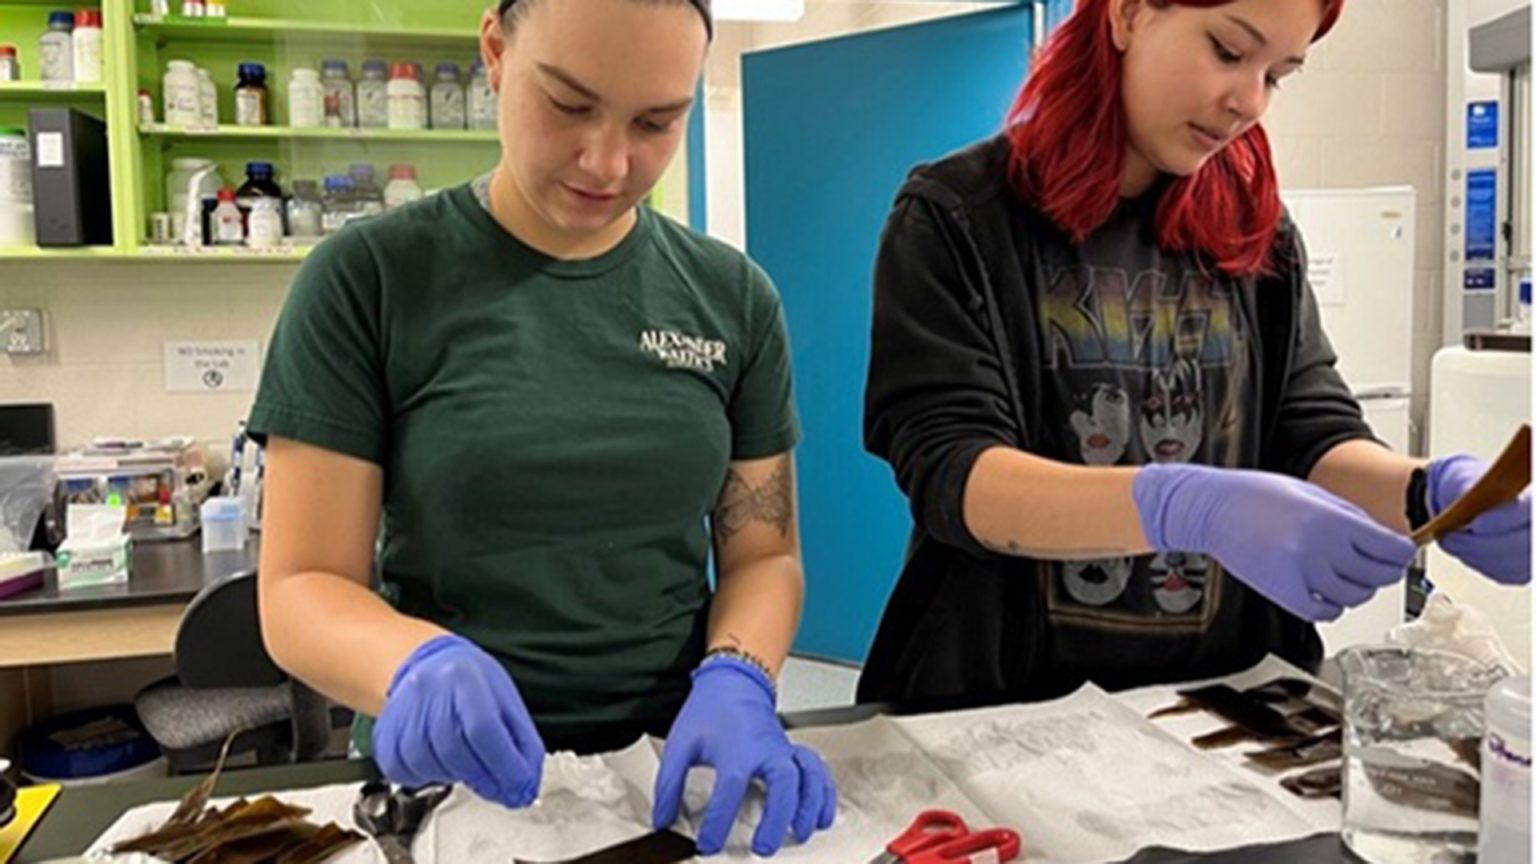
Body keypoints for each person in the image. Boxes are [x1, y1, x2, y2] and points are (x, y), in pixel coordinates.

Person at [246, 0, 836, 856]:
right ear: (494, 51)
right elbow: (301, 584)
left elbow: (763, 552)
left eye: (656, 122)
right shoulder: (367, 281)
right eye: (568, 104)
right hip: (444, 787)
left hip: (669, 778)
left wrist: (740, 676)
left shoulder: (732, 300)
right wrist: (409, 663)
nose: (608, 161)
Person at [858, 0, 1531, 707]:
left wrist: (1429, 492)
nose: (1249, 102)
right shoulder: (959, 216)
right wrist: (1182, 506)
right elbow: (958, 476)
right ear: (1127, 14)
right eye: (1228, 51)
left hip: (1225, 704)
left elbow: (1310, 431)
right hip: (1005, 704)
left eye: (1278, 74)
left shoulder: (1254, 228)